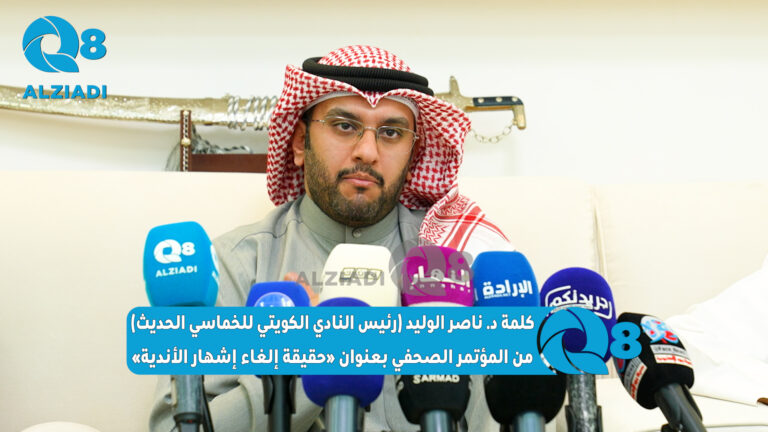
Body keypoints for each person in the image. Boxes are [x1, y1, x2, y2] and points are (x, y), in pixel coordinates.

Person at [150, 45, 512, 432]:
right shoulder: (233, 265)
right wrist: (310, 350)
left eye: (391, 133)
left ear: (413, 155)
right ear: (299, 142)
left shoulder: (454, 265)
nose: (367, 152)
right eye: (344, 126)